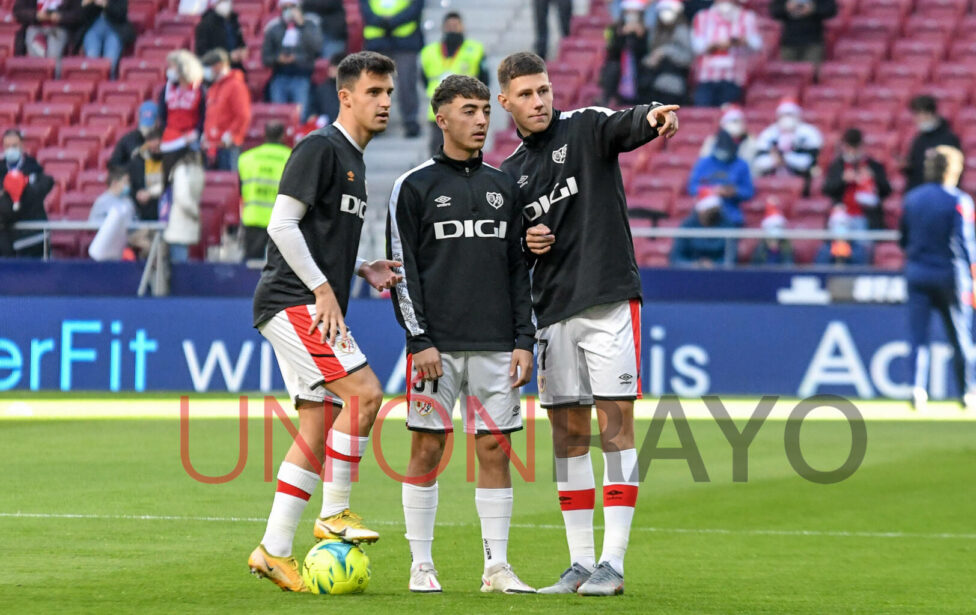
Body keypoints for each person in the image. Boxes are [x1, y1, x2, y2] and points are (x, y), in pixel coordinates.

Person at [497, 51, 678, 597]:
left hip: (607, 303)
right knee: (568, 437)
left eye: (544, 90)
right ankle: (579, 563)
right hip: (552, 313)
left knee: (615, 427)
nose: (539, 101)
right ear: (505, 102)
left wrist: (653, 117)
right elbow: (510, 260)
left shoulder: (585, 128)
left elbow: (629, 123)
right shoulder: (510, 176)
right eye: (526, 94)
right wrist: (525, 244)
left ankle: (613, 564)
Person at [247, 51, 404, 593]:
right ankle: (335, 510)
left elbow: (316, 236)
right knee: (364, 394)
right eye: (375, 92)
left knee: (319, 421)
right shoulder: (320, 148)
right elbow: (282, 225)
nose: (385, 102)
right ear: (346, 96)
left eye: (389, 92)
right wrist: (321, 287)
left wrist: (361, 267)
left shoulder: (354, 164)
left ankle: (273, 549)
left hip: (302, 299)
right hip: (293, 300)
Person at [386, 74, 536, 595]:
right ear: (441, 118)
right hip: (437, 348)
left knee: (495, 450)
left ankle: (497, 568)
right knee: (427, 449)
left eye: (483, 111)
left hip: (498, 343)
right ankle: (421, 565)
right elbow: (403, 271)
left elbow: (519, 269)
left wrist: (524, 338)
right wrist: (419, 340)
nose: (479, 120)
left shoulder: (504, 186)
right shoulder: (414, 186)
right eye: (468, 111)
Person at [901, 146, 976, 411]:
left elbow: (903, 238)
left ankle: (917, 390)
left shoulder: (912, 199)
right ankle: (965, 391)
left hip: (916, 273)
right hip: (950, 275)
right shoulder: (959, 200)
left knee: (918, 337)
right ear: (954, 170)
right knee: (960, 335)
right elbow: (966, 242)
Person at [420, 12, 488, 153]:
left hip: (466, 112)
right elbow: (424, 79)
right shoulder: (429, 52)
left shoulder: (475, 50)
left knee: (465, 152)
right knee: (437, 153)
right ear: (443, 28)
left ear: (462, 27)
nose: (452, 29)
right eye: (449, 26)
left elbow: (484, 79)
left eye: (456, 25)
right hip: (438, 111)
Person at [359, 0, 424, 138]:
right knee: (376, 86)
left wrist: (392, 22)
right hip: (377, 42)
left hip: (405, 40)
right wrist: (385, 22)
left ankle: (410, 121)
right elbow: (365, 9)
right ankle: (375, 122)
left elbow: (415, 7)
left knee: (407, 84)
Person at [690, 0, 762, 107]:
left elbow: (757, 44)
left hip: (734, 76)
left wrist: (743, 41)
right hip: (707, 76)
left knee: (727, 111)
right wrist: (717, 45)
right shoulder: (702, 16)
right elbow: (697, 47)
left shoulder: (747, 17)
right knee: (703, 110)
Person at [238, 121, 291, 260]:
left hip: (253, 217)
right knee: (279, 266)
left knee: (250, 264)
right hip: (281, 220)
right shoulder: (292, 157)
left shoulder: (246, 158)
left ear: (264, 135)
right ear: (282, 136)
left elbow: (239, 190)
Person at [822, 128, 892, 232]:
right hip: (842, 216)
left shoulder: (874, 166)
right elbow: (827, 189)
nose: (853, 151)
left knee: (862, 241)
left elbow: (886, 190)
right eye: (850, 147)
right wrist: (843, 180)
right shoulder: (837, 166)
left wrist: (873, 179)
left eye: (856, 146)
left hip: (866, 217)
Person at [263, 0, 324, 119]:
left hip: (302, 77)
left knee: (299, 116)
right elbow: (266, 58)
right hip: (279, 77)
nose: (289, 10)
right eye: (285, 7)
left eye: (292, 6)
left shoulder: (311, 25)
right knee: (279, 117)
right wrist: (278, 59)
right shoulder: (274, 28)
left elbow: (316, 48)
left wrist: (301, 25)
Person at [0, 129, 53, 258]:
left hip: (32, 239)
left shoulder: (34, 170)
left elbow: (36, 194)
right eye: (7, 146)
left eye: (14, 146)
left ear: (22, 146)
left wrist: (14, 194)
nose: (10, 149)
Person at [753, 98, 822, 193]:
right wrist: (774, 160)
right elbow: (759, 162)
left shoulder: (809, 133)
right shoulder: (769, 134)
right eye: (784, 115)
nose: (787, 118)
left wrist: (785, 158)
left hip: (800, 178)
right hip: (772, 177)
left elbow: (809, 161)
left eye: (790, 115)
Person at [688, 129, 755, 227]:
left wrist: (734, 191)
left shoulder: (741, 164)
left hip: (730, 214)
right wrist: (710, 191)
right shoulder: (704, 163)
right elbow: (692, 187)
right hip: (704, 214)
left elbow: (748, 191)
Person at [158, 49, 205, 184]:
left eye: (172, 66)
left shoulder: (200, 90)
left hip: (192, 140)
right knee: (168, 179)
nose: (169, 70)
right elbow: (163, 114)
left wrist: (197, 132)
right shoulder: (166, 89)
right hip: (170, 139)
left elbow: (204, 114)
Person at [202, 48, 251, 172]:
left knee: (228, 184)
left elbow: (243, 115)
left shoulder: (235, 85)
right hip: (212, 146)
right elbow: (211, 115)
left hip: (228, 146)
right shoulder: (213, 87)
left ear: (220, 65)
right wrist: (206, 135)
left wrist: (230, 135)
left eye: (210, 66)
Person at [640, 0, 692, 107]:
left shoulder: (682, 30)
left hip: (674, 83)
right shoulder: (656, 32)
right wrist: (650, 60)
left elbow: (687, 58)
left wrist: (665, 51)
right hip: (654, 84)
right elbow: (649, 54)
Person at [903, 95, 960, 191]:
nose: (916, 119)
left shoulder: (948, 139)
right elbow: (915, 168)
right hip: (919, 191)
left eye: (918, 115)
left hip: (941, 192)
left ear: (929, 114)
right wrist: (906, 167)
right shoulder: (919, 140)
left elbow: (953, 167)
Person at [87, 165, 144, 261]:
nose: (128, 185)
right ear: (115, 183)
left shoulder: (128, 202)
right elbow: (92, 224)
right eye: (125, 182)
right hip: (108, 244)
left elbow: (135, 222)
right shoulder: (102, 201)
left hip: (128, 242)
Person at [599, 2, 649, 108]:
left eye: (634, 12)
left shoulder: (645, 31)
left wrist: (639, 37)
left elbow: (644, 53)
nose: (631, 15)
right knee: (612, 68)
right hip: (619, 69)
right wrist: (622, 34)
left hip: (638, 71)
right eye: (628, 12)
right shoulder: (614, 29)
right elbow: (612, 51)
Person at [161, 149, 204, 263]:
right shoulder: (187, 171)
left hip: (180, 225)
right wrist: (196, 212)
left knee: (180, 265)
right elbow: (183, 197)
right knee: (180, 265)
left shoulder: (183, 171)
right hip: (182, 225)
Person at [670, 187, 732, 266]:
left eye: (714, 209)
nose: (712, 214)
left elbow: (730, 259)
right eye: (709, 209)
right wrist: (694, 265)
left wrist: (714, 265)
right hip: (689, 273)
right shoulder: (687, 225)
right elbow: (676, 258)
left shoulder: (726, 225)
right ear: (700, 210)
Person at [77, 0, 133, 78]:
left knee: (110, 62)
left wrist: (105, 4)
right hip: (93, 28)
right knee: (92, 57)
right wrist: (87, 4)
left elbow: (121, 14)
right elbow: (81, 16)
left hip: (115, 29)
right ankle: (93, 83)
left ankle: (109, 85)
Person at [770, 0, 837, 65]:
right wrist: (787, 7)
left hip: (813, 43)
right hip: (789, 42)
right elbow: (774, 11)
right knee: (788, 74)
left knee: (812, 74)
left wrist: (813, 9)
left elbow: (831, 9)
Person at [14, 0, 81, 59]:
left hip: (59, 28)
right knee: (35, 59)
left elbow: (78, 15)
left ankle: (54, 71)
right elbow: (18, 12)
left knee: (53, 56)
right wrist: (36, 15)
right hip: (35, 26)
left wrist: (61, 17)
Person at [194, 0, 248, 70]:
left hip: (235, 67)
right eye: (221, 1)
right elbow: (202, 53)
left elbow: (240, 42)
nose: (225, 4)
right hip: (215, 68)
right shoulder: (205, 24)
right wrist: (228, 56)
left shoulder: (233, 21)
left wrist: (242, 50)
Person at [127, 128, 163, 221]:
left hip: (165, 208)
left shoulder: (170, 161)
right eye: (152, 148)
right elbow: (132, 185)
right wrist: (137, 194)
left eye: (158, 148)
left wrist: (150, 193)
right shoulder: (137, 161)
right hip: (143, 211)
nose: (155, 151)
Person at [110, 101, 160, 169]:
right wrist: (135, 160)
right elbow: (114, 165)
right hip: (134, 177)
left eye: (149, 127)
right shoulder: (127, 140)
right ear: (139, 120)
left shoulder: (163, 140)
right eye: (144, 127)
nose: (146, 131)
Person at [308, 51, 347, 126]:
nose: (331, 69)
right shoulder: (322, 89)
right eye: (331, 66)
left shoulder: (351, 90)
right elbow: (313, 111)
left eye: (335, 67)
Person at [750, 199, 794, 265]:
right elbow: (754, 269)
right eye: (771, 239)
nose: (773, 242)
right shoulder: (760, 251)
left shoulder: (786, 251)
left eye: (776, 239)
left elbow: (789, 267)